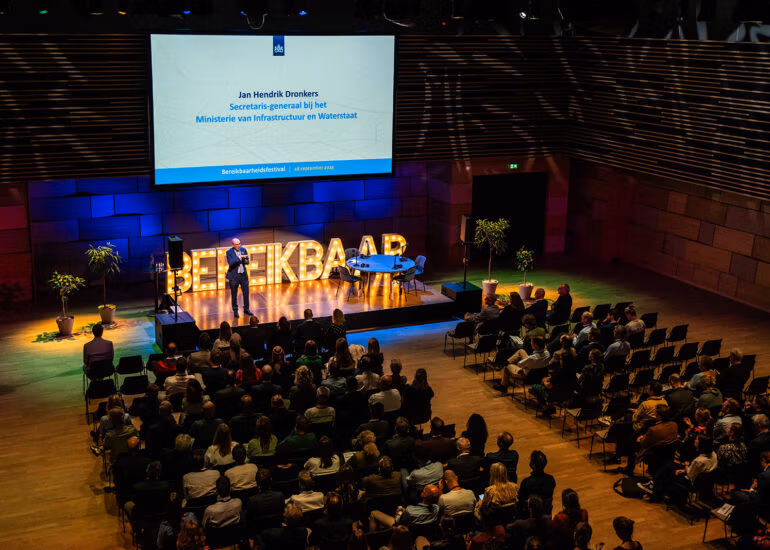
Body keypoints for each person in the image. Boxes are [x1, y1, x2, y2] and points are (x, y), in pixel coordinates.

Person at [369, 484, 441, 530]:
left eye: (424, 490)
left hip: (403, 530)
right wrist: (405, 511)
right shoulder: (437, 509)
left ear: (423, 495)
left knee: (373, 513)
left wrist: (399, 513)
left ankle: (373, 537)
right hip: (423, 533)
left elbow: (397, 522)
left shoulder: (410, 510)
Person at [225, 237, 252, 318]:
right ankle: (235, 310)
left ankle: (246, 309)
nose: (239, 245)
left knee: (246, 293)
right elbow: (230, 263)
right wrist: (239, 258)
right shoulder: (229, 252)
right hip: (234, 276)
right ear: (233, 245)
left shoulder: (244, 250)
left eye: (239, 244)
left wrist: (244, 260)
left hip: (243, 275)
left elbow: (247, 261)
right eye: (237, 244)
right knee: (234, 295)